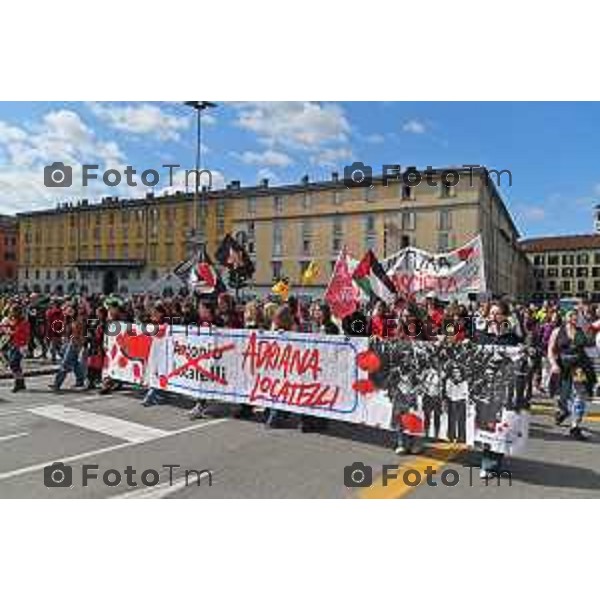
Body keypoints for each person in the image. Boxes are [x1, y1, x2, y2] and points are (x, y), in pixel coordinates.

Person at [547, 309, 596, 440]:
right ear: (565, 317)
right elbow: (550, 350)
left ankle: (575, 426)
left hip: (579, 367)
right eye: (571, 316)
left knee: (580, 394)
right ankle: (563, 411)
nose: (574, 318)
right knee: (562, 396)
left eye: (576, 316)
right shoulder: (557, 331)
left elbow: (591, 344)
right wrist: (553, 364)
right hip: (562, 367)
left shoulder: (582, 331)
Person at [50, 304, 86, 391]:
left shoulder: (78, 320)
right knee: (74, 363)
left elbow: (80, 334)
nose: (67, 312)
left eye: (70, 311)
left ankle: (57, 383)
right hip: (69, 343)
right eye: (67, 311)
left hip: (74, 343)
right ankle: (80, 380)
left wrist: (78, 344)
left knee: (65, 364)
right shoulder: (69, 320)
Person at [3, 305, 31, 392]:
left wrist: (11, 332)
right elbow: (6, 326)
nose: (11, 313)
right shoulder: (14, 320)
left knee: (13, 364)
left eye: (12, 311)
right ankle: (21, 382)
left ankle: (18, 383)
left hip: (20, 345)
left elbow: (23, 334)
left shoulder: (24, 322)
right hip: (14, 344)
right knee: (16, 364)